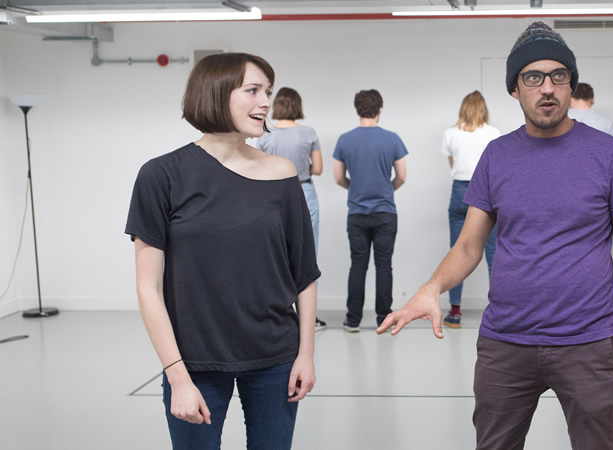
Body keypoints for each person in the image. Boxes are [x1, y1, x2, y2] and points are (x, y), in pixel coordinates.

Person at [377, 22, 613, 450]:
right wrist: (431, 288)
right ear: (515, 88)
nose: (547, 88)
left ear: (571, 84)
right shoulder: (496, 155)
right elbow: (470, 245)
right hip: (506, 342)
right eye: (533, 77)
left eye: (558, 76)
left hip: (589, 341)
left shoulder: (608, 154)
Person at [125, 53, 320, 449]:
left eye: (268, 91)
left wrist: (306, 356)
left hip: (275, 357)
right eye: (253, 91)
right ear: (215, 94)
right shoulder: (161, 175)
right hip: (195, 361)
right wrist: (177, 377)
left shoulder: (283, 173)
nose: (266, 102)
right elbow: (149, 289)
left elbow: (304, 273)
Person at [333, 89, 408, 332]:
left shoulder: (344, 139)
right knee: (384, 266)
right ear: (379, 110)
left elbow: (338, 178)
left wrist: (355, 188)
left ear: (357, 110)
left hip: (356, 213)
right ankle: (383, 319)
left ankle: (352, 320)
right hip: (385, 212)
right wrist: (386, 189)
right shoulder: (392, 138)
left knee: (358, 266)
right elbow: (402, 177)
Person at [257, 86, 328, 332]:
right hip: (304, 192)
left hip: (270, 193)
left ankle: (278, 315)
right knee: (308, 256)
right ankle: (309, 319)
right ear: (298, 106)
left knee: (274, 255)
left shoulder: (266, 132)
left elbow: (255, 168)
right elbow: (317, 169)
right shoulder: (309, 133)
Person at [440, 91, 501, 328]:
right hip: (486, 191)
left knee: (457, 251)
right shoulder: (493, 134)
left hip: (459, 193)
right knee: (493, 253)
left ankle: (454, 312)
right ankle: (499, 308)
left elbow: (452, 164)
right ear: (483, 109)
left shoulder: (451, 133)